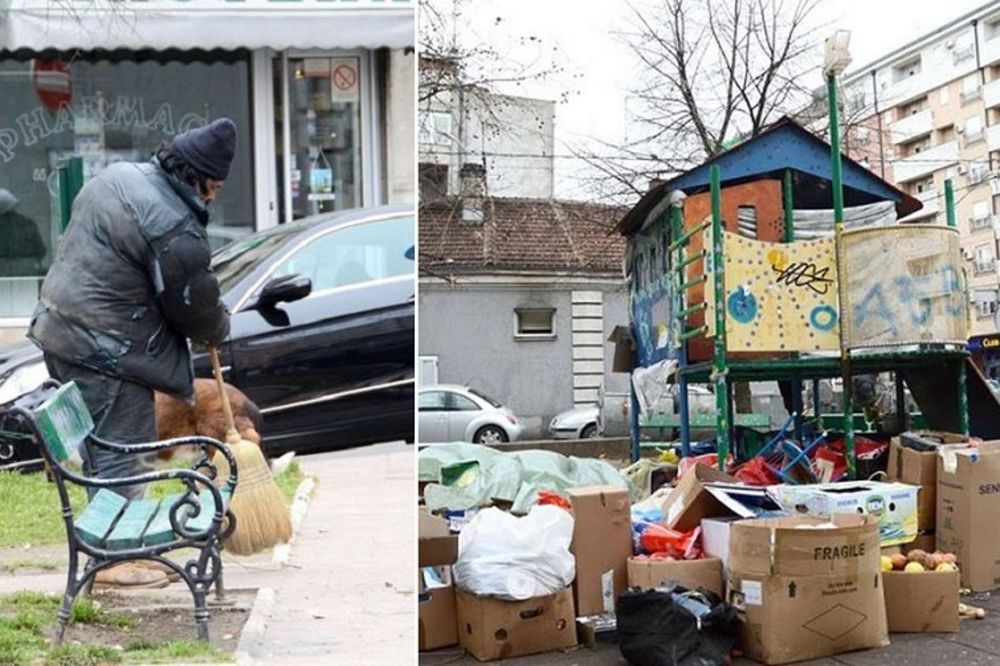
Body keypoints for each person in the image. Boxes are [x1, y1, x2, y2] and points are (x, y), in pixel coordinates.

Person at [28, 118, 237, 589]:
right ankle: (117, 560)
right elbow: (193, 303)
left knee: (104, 453)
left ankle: (120, 549)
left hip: (61, 331)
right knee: (122, 453)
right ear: (195, 176)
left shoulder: (117, 177)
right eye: (214, 186)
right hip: (108, 350)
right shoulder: (171, 222)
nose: (214, 197)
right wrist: (217, 326)